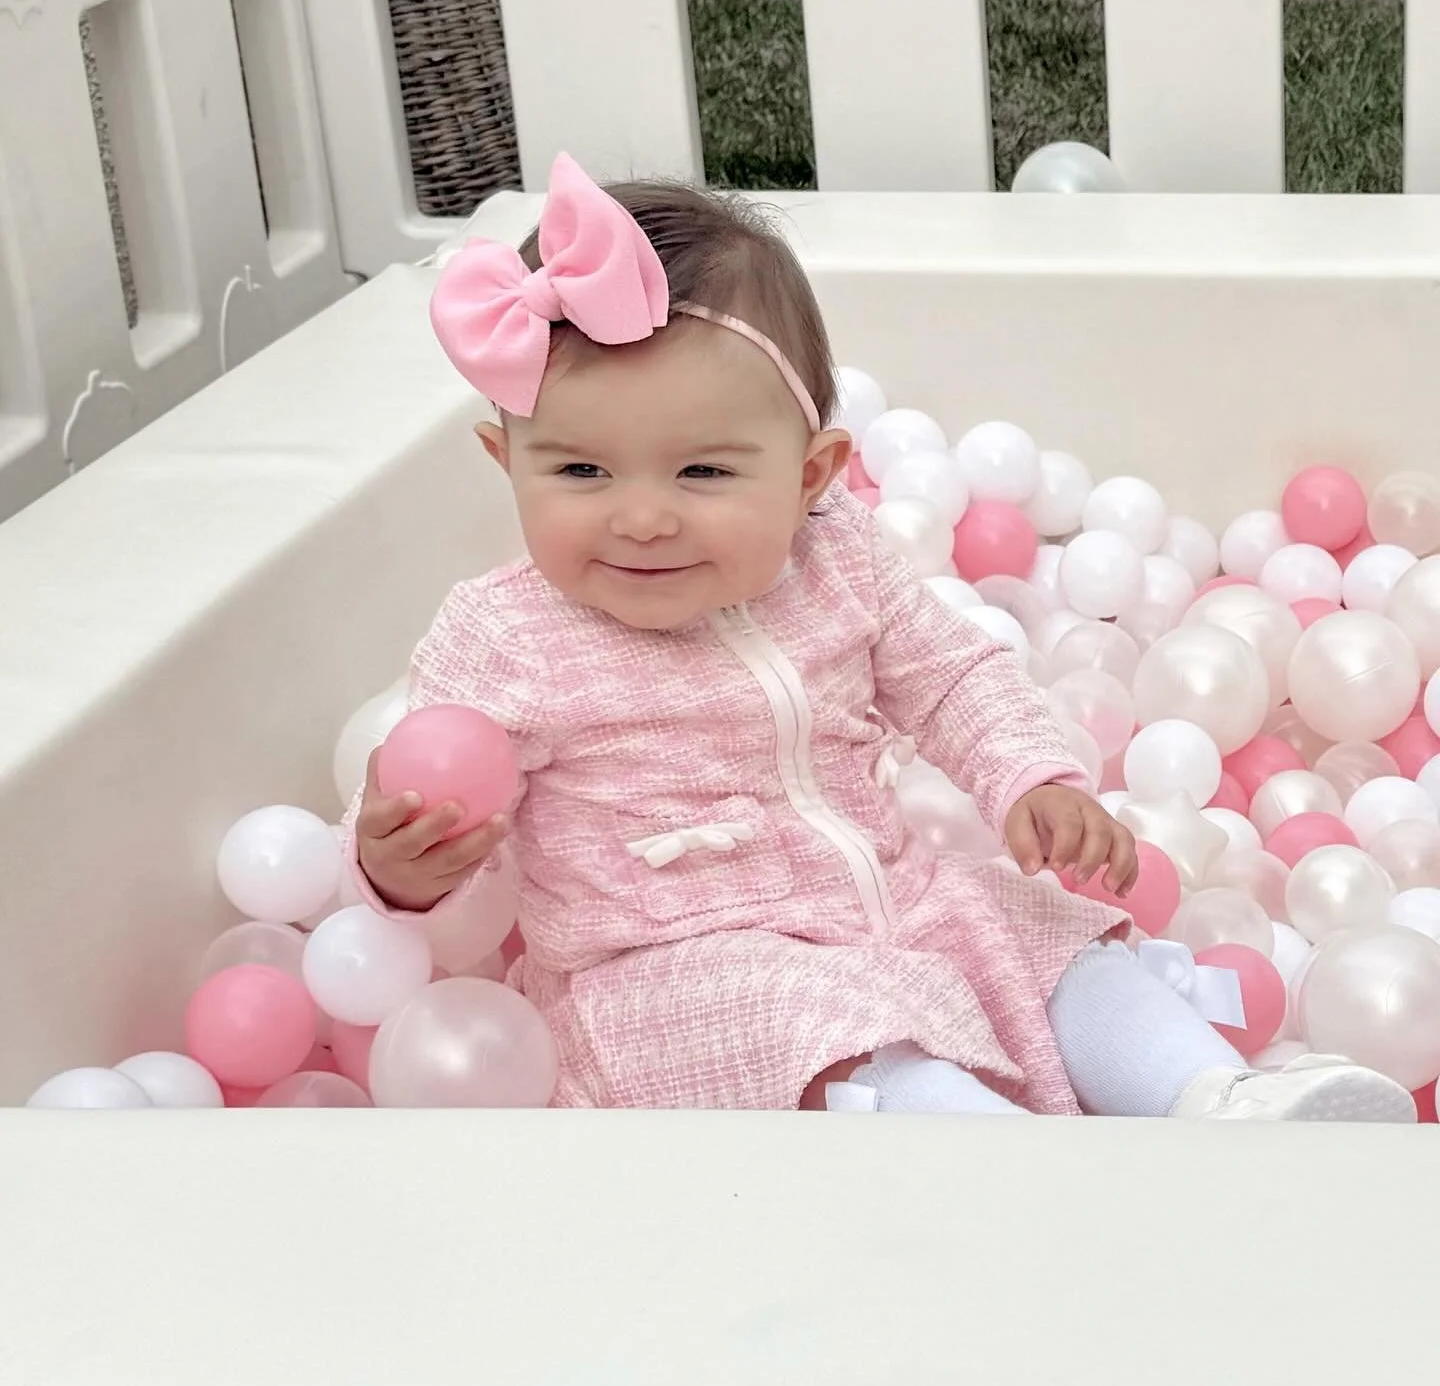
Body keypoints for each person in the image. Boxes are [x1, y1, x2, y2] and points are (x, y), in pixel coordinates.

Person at [344, 153, 1413, 1123]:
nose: (640, 516)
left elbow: (950, 678)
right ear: (505, 459)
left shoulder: (835, 557)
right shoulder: (502, 638)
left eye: (704, 472)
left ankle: (1215, 1100)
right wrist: (399, 868)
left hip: (896, 901)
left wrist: (1032, 780)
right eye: (580, 471)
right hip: (674, 969)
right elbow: (440, 828)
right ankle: (997, 1167)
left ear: (811, 477)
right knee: (822, 1031)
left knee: (1047, 940)